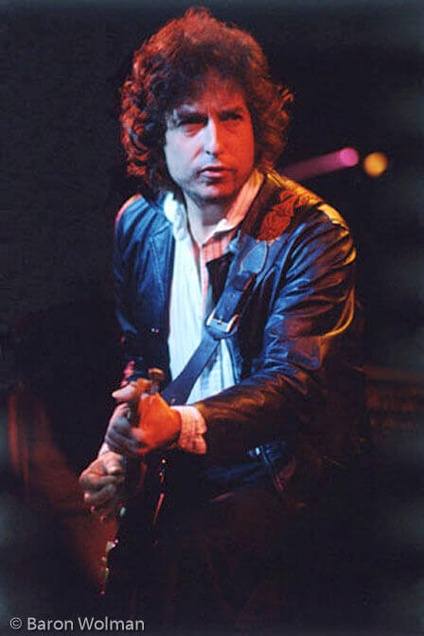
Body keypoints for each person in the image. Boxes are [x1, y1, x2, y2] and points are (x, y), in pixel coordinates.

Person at [80, 6, 363, 631]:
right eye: (191, 121)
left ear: (256, 123)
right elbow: (144, 358)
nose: (215, 142)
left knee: (194, 561)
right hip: (180, 467)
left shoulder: (313, 234)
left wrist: (178, 424)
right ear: (155, 135)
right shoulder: (139, 225)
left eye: (231, 117)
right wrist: (120, 446)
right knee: (126, 586)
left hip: (279, 476)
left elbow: (295, 382)